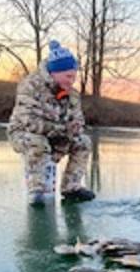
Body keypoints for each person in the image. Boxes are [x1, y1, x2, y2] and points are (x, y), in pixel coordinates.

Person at [8, 40, 95, 205]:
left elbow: (78, 120)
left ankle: (71, 188)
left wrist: (73, 130)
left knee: (83, 142)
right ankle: (38, 190)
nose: (71, 81)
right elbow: (30, 122)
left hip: (57, 135)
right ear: (54, 72)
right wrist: (62, 129)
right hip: (24, 134)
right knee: (38, 143)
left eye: (74, 77)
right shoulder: (30, 86)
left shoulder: (73, 95)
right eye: (68, 76)